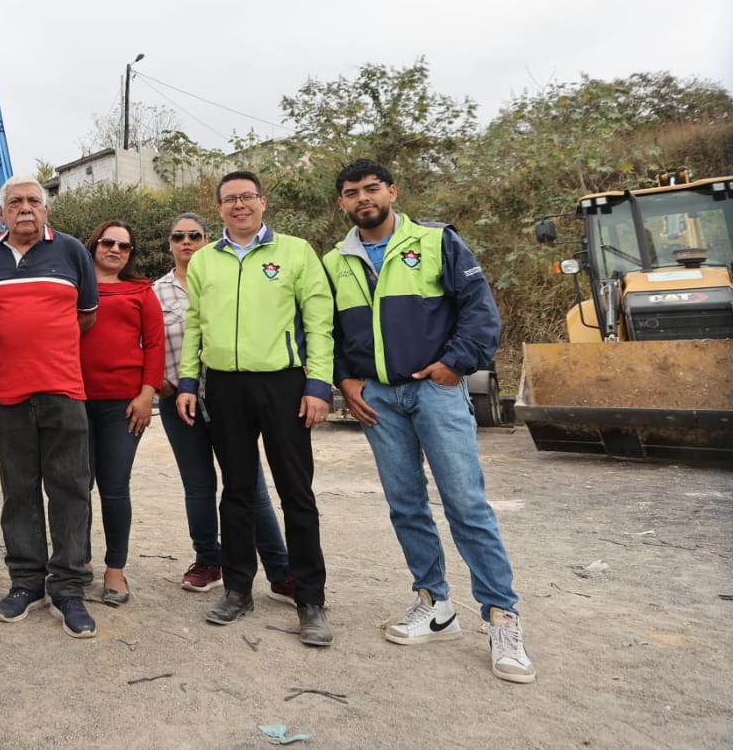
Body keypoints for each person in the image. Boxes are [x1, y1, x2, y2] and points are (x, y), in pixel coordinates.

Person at [323, 158, 533, 683]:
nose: (362, 198)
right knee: (406, 504)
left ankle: (502, 616)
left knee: (465, 502)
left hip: (434, 392)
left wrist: (455, 364)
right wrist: (345, 380)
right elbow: (326, 329)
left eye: (372, 188)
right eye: (352, 193)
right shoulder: (334, 261)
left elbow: (479, 310)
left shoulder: (437, 242)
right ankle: (435, 604)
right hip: (377, 399)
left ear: (392, 191)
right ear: (343, 203)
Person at [176, 171, 335, 647]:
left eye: (247, 197)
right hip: (224, 386)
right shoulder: (205, 260)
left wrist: (319, 384)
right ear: (219, 209)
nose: (239, 205)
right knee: (237, 491)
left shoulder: (295, 252)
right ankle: (238, 589)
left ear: (263, 203)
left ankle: (310, 600)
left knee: (296, 492)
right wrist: (189, 381)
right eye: (229, 200)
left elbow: (319, 320)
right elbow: (195, 323)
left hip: (284, 385)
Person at [0, 176, 100, 639]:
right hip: (7, 392)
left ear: (45, 210)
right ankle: (26, 583)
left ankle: (68, 588)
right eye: (15, 202)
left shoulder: (70, 252)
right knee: (18, 491)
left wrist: (49, 346)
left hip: (64, 389)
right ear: (1, 212)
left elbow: (86, 314)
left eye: (33, 201)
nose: (25, 208)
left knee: (70, 490)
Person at [152, 213, 297, 605]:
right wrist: (160, 384)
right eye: (178, 236)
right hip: (180, 403)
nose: (186, 242)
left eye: (194, 235)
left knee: (250, 486)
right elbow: (147, 345)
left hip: (230, 399)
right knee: (198, 487)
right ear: (169, 244)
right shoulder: (156, 292)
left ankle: (281, 571)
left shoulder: (225, 282)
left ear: (206, 240)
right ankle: (209, 561)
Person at [77, 220, 161, 606]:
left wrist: (147, 394)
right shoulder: (75, 287)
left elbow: (155, 344)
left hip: (123, 405)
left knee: (113, 488)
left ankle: (115, 570)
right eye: (108, 242)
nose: (115, 250)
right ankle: (79, 564)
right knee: (77, 488)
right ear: (94, 245)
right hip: (74, 400)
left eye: (124, 246)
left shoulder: (141, 291)